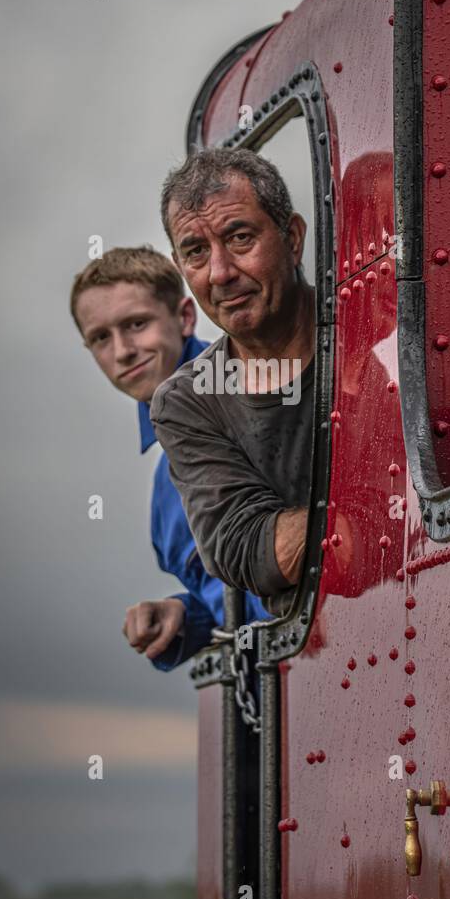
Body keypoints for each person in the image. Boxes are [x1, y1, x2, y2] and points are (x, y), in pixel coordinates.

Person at [70, 245, 271, 670]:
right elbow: (231, 601)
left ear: (184, 316)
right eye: (100, 338)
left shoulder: (269, 395)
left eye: (136, 324)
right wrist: (187, 616)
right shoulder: (165, 494)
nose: (122, 351)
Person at [150, 148, 326, 619]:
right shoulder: (187, 402)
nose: (221, 272)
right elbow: (247, 548)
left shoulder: (377, 321)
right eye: (196, 252)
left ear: (292, 238)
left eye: (240, 237)